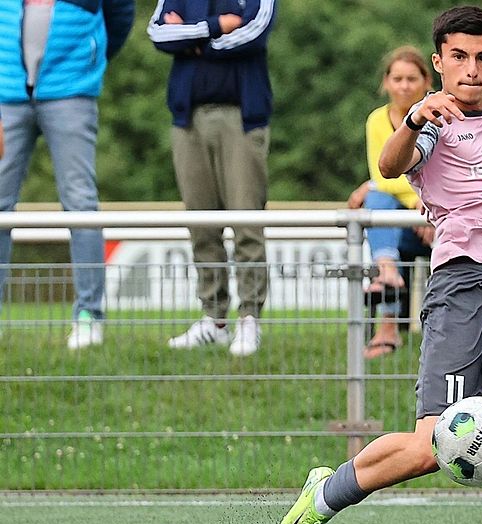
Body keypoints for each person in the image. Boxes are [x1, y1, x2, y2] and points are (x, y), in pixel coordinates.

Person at [276, 6, 482, 524]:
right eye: (459, 57)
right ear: (439, 62)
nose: (471, 69)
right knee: (431, 445)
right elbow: (390, 166)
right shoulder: (434, 118)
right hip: (465, 288)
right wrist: (414, 117)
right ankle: (324, 494)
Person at [0, 0, 135, 349]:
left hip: (72, 94)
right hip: (7, 95)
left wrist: (91, 59)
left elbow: (119, 18)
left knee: (80, 203)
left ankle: (88, 316)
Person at [148, 0, 277, 357]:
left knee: (246, 222)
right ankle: (214, 318)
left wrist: (190, 39)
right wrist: (215, 27)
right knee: (201, 224)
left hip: (241, 118)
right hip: (187, 119)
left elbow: (254, 33)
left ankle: (249, 318)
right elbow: (158, 33)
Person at [346, 46, 434, 360]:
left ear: (427, 81)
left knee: (375, 199)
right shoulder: (376, 120)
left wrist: (429, 209)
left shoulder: (440, 115)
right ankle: (388, 283)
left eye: (412, 78)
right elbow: (383, 175)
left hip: (441, 219)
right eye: (397, 78)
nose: (404, 86)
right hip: (407, 219)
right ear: (386, 83)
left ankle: (388, 274)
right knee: (378, 200)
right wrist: (414, 202)